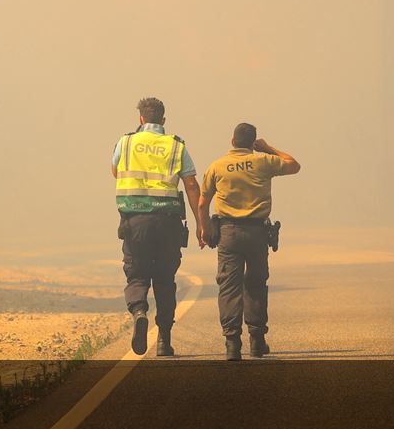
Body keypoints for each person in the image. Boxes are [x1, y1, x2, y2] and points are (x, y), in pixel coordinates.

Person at [198, 123, 300, 361]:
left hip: (228, 234)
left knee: (229, 286)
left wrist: (204, 229)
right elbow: (294, 165)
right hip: (257, 233)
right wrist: (268, 148)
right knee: (255, 284)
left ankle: (232, 343)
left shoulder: (217, 166)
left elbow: (202, 204)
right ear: (253, 143)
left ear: (232, 141)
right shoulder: (264, 162)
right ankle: (257, 341)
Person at [112, 97, 204, 356]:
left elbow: (115, 171)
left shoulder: (126, 142)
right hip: (168, 223)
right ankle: (164, 339)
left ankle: (139, 311)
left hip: (135, 222)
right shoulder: (176, 146)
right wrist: (201, 224)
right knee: (165, 280)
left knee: (137, 274)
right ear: (163, 120)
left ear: (140, 119)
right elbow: (192, 186)